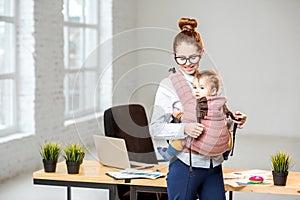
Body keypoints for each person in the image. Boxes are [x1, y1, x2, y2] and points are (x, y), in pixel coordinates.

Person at [149, 17, 247, 200]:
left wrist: (233, 121)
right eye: (181, 58)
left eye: (193, 57)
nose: (187, 63)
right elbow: (155, 127)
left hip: (213, 166)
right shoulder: (168, 85)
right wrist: (183, 128)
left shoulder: (209, 81)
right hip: (186, 167)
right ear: (174, 55)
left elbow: (215, 120)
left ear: (202, 53)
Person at [157, 69, 236, 161]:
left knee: (180, 138)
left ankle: (168, 154)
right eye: (194, 87)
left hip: (204, 145)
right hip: (220, 146)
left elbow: (188, 121)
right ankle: (225, 154)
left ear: (213, 91)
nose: (197, 91)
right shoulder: (221, 104)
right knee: (227, 135)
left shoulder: (197, 104)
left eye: (202, 88)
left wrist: (178, 115)